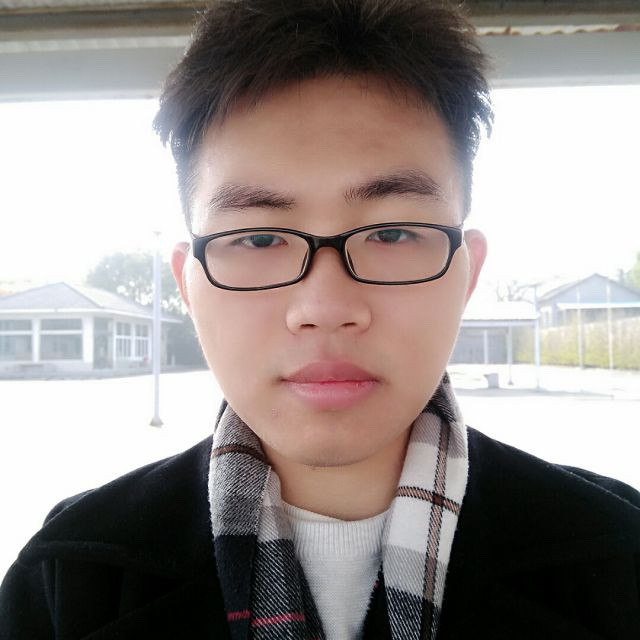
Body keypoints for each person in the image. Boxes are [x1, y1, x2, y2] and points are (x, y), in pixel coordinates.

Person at [2, 1, 639, 638]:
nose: (325, 309)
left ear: (467, 274)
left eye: (391, 232)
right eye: (257, 239)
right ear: (187, 286)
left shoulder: (620, 560)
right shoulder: (68, 581)